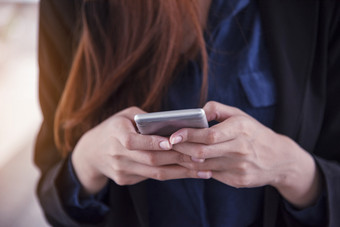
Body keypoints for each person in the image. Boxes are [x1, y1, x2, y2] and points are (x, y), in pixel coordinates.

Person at [34, 0, 340, 226]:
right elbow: (53, 193)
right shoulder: (70, 7)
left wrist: (289, 167)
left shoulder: (318, 10)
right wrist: (89, 161)